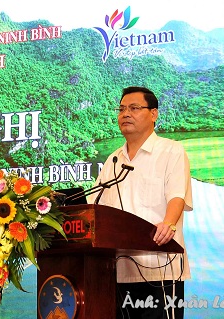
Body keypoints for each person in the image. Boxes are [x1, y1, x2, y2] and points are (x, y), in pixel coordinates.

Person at [87, 86, 193, 319]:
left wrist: (169, 224)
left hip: (159, 268)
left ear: (153, 114)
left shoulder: (171, 150)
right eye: (122, 109)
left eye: (134, 108)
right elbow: (94, 205)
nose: (126, 114)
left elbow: (177, 195)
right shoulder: (113, 159)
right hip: (116, 272)